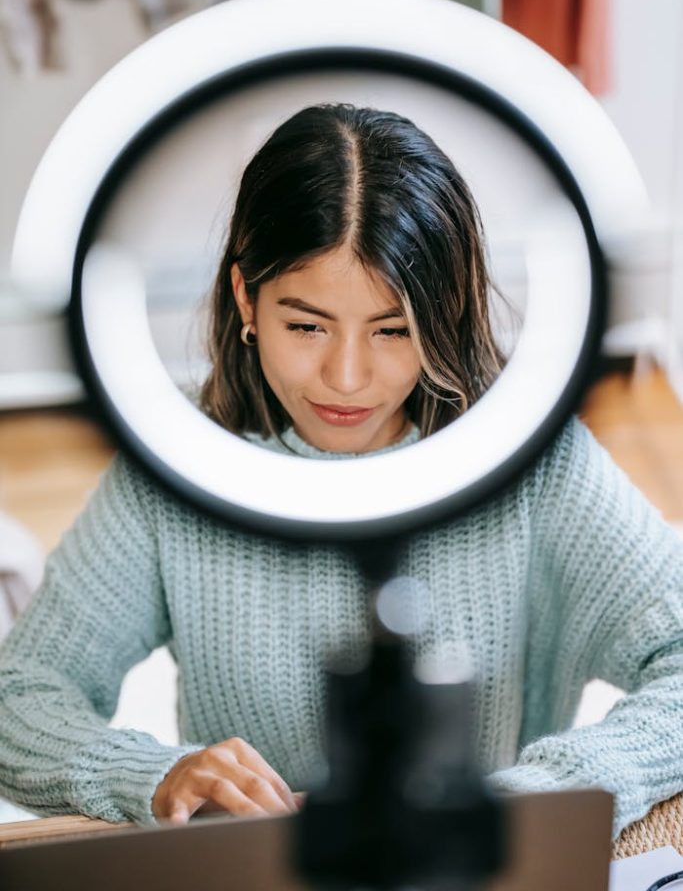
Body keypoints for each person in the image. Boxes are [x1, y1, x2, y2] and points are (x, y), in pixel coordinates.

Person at [0, 104, 682, 839]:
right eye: (306, 325)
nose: (347, 377)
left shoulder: (534, 462)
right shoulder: (175, 465)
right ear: (245, 300)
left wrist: (541, 794)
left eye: (392, 330)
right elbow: (21, 695)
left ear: (444, 315)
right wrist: (151, 774)